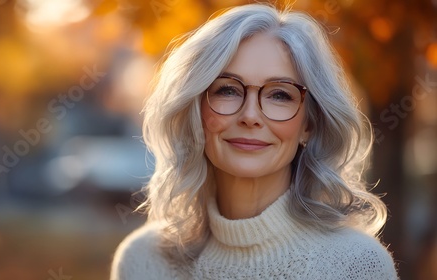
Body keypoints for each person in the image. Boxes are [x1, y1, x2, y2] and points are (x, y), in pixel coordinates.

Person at [111, 3, 398, 279]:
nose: (250, 116)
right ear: (195, 111)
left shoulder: (357, 267)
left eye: (280, 95)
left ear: (309, 124)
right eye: (227, 90)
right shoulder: (142, 261)